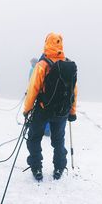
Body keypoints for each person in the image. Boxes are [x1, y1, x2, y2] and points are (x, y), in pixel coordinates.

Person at [23, 32, 78, 181]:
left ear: (46, 43)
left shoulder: (42, 65)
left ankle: (37, 167)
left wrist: (27, 109)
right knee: (58, 140)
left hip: (43, 109)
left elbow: (33, 89)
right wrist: (72, 112)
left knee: (34, 138)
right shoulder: (68, 65)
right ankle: (59, 168)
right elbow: (73, 91)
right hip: (62, 112)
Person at [29, 57, 51, 137]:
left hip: (40, 94)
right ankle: (47, 130)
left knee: (40, 112)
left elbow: (32, 82)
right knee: (49, 113)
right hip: (50, 96)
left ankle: (44, 129)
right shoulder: (47, 66)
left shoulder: (36, 68)